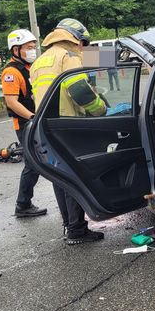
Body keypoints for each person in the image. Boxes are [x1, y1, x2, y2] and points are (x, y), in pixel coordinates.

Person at [31, 18, 107, 245]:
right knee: (74, 175)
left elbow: (101, 59)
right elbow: (80, 91)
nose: (84, 47)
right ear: (76, 39)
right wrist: (100, 110)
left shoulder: (40, 60)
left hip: (45, 126)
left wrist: (113, 55)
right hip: (67, 124)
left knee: (60, 177)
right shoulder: (69, 57)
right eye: (83, 43)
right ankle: (77, 230)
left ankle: (69, 224)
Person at [0, 29, 48, 218]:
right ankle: (23, 204)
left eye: (34, 47)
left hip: (33, 121)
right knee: (33, 164)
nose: (33, 51)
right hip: (25, 124)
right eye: (29, 47)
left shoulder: (30, 68)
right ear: (16, 49)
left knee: (35, 163)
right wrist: (32, 118)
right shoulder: (11, 72)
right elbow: (12, 102)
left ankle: (24, 203)